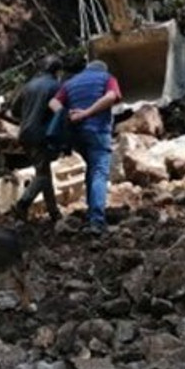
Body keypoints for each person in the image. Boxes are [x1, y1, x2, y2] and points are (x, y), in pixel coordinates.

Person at [48, 59, 121, 236]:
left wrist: (67, 114)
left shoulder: (70, 83)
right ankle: (97, 221)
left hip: (76, 134)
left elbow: (53, 103)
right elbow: (112, 97)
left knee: (92, 168)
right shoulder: (107, 78)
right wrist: (87, 113)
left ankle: (91, 213)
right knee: (99, 171)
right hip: (97, 130)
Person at [8, 55, 64, 223]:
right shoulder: (55, 86)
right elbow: (59, 111)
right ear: (57, 71)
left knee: (44, 172)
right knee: (42, 176)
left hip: (25, 134)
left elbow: (15, 111)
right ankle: (23, 204)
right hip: (42, 136)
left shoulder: (27, 87)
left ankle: (54, 212)